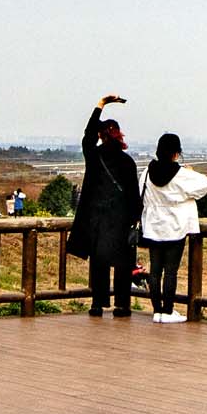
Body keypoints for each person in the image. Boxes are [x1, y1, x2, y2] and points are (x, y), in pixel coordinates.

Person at [68, 94, 141, 317]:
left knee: (99, 263)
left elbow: (86, 136)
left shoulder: (95, 155)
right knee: (122, 263)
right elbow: (134, 194)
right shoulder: (127, 161)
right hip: (120, 220)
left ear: (101, 136)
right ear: (119, 134)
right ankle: (122, 305)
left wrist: (101, 104)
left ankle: (98, 304)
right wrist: (135, 219)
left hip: (97, 219)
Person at [139, 133, 207, 322]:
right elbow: (204, 185)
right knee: (170, 271)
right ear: (176, 153)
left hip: (153, 227)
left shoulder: (147, 172)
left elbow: (141, 194)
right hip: (175, 227)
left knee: (155, 271)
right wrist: (191, 171)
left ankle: (157, 311)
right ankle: (168, 311)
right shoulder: (183, 175)